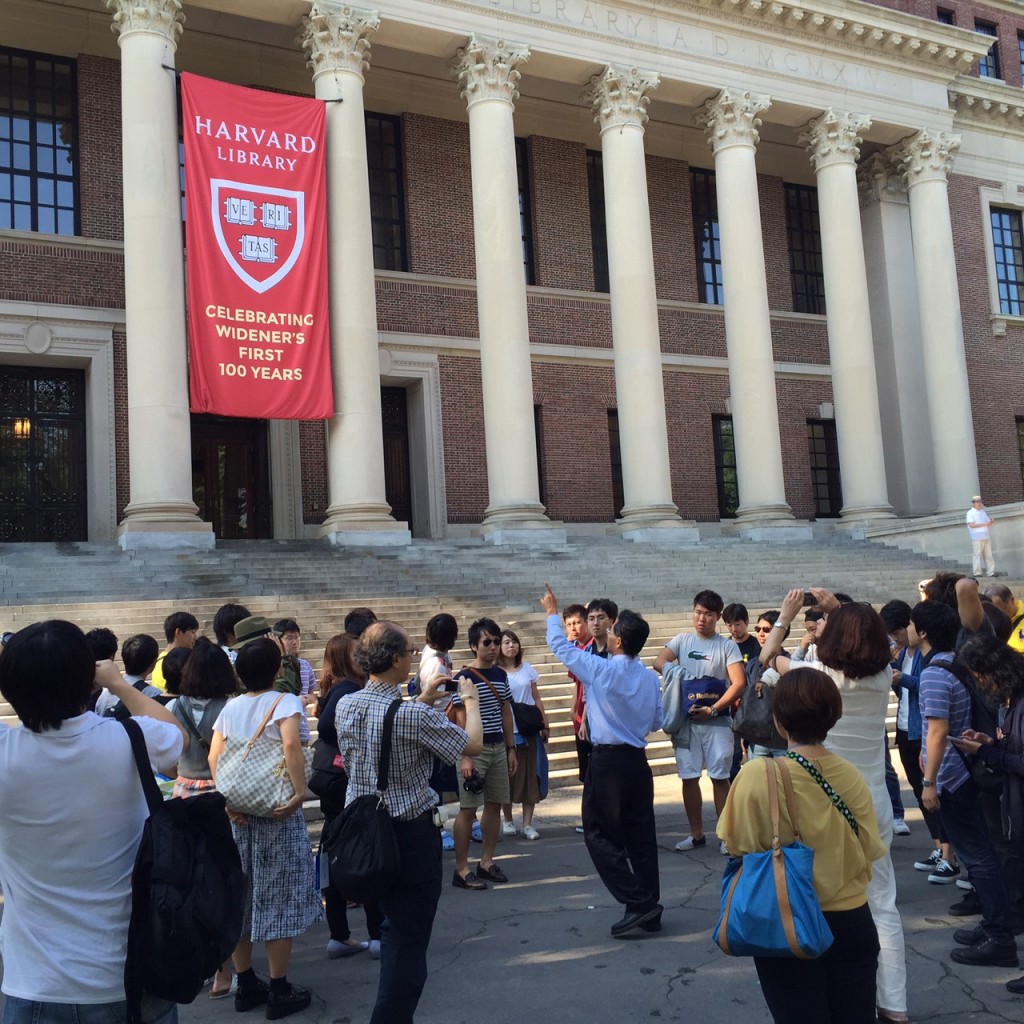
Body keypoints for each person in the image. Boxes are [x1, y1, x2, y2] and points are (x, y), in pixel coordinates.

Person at [0, 620, 185, 1024]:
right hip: (133, 978)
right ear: (90, 681)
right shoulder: (130, 737)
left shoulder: (4, 755)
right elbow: (177, 735)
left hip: (36, 984)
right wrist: (119, 685)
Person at [760, 590, 908, 1023]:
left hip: (823, 796)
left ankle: (825, 986)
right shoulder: (883, 675)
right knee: (882, 901)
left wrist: (786, 617)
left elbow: (768, 657)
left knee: (819, 896)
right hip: (873, 798)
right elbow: (864, 638)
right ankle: (894, 1005)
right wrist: (840, 608)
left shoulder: (819, 672)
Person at [718, 667, 885, 1024]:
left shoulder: (756, 774)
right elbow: (871, 848)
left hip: (786, 919)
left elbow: (736, 844)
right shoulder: (851, 774)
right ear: (833, 717)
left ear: (779, 719)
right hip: (852, 919)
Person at [336, 619, 483, 1024]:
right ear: (396, 659)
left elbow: (388, 721)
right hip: (408, 834)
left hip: (363, 830)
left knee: (390, 925)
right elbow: (471, 744)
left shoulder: (347, 703)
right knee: (407, 939)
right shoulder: (411, 716)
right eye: (411, 652)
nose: (415, 657)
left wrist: (421, 699)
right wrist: (469, 701)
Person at [209, 638, 322, 1019]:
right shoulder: (284, 701)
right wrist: (300, 791)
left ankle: (246, 982)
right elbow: (291, 747)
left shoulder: (230, 707)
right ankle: (279, 987)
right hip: (276, 811)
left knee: (242, 895)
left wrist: (228, 800)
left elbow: (215, 755)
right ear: (277, 669)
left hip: (239, 814)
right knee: (279, 895)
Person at [544, 584, 664, 937]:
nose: (606, 633)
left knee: (598, 833)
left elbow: (560, 647)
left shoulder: (601, 669)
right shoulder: (647, 677)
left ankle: (640, 901)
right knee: (641, 837)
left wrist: (552, 612)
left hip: (609, 762)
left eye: (611, 630)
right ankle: (648, 907)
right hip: (637, 762)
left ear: (619, 642)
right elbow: (656, 722)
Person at [915, 601, 1019, 969]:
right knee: (982, 855)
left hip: (953, 776)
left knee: (979, 856)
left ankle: (999, 934)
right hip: (965, 768)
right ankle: (995, 926)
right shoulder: (951, 665)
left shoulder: (934, 672)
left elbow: (938, 729)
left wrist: (929, 780)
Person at [166, 636, 238, 998]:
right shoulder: (230, 706)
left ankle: (205, 965)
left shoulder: (176, 705)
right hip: (219, 796)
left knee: (193, 881)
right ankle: (228, 967)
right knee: (223, 879)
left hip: (183, 793)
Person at [952, 634, 1024, 993]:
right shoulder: (1012, 700)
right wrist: (988, 742)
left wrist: (988, 754)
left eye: (981, 678)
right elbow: (1013, 747)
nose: (981, 686)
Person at [653, 589, 745, 854]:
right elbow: (659, 661)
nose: (701, 618)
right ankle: (696, 835)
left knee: (720, 776)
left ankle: (726, 835)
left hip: (717, 723)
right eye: (697, 612)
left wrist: (714, 709)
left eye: (707, 614)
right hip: (687, 724)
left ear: (717, 617)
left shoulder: (726, 646)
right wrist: (677, 672)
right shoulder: (681, 641)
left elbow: (738, 683)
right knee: (689, 777)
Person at [313, 634, 383, 959]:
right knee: (363, 858)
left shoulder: (333, 688)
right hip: (345, 785)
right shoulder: (348, 689)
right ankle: (376, 934)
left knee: (335, 858)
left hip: (331, 786)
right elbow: (328, 727)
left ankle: (339, 934)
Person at [448, 617, 517, 889]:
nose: (493, 647)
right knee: (468, 809)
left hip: (498, 746)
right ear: (473, 646)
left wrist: (511, 748)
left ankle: (486, 862)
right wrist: (465, 755)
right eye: (487, 642)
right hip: (473, 750)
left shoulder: (500, 675)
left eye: (496, 641)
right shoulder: (462, 678)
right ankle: (462, 869)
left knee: (495, 805)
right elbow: (460, 718)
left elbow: (505, 712)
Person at [498, 628, 550, 839]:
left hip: (528, 730)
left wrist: (544, 722)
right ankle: (508, 819)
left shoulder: (528, 669)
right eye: (506, 642)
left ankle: (527, 824)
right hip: (506, 731)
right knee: (507, 778)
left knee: (531, 777)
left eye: (514, 642)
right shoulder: (496, 672)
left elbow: (536, 698)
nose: (511, 646)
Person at [151, 611, 199, 690]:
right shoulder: (166, 663)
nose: (195, 637)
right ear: (178, 632)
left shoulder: (163, 659)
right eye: (192, 632)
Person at [966, 495, 996, 578]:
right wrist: (985, 524)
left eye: (980, 501)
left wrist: (991, 522)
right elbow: (971, 525)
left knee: (988, 555)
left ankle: (991, 572)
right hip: (976, 537)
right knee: (977, 555)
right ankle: (977, 573)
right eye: (977, 502)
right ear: (973, 503)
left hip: (986, 536)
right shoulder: (970, 513)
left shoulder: (983, 512)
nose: (980, 503)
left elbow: (987, 523)